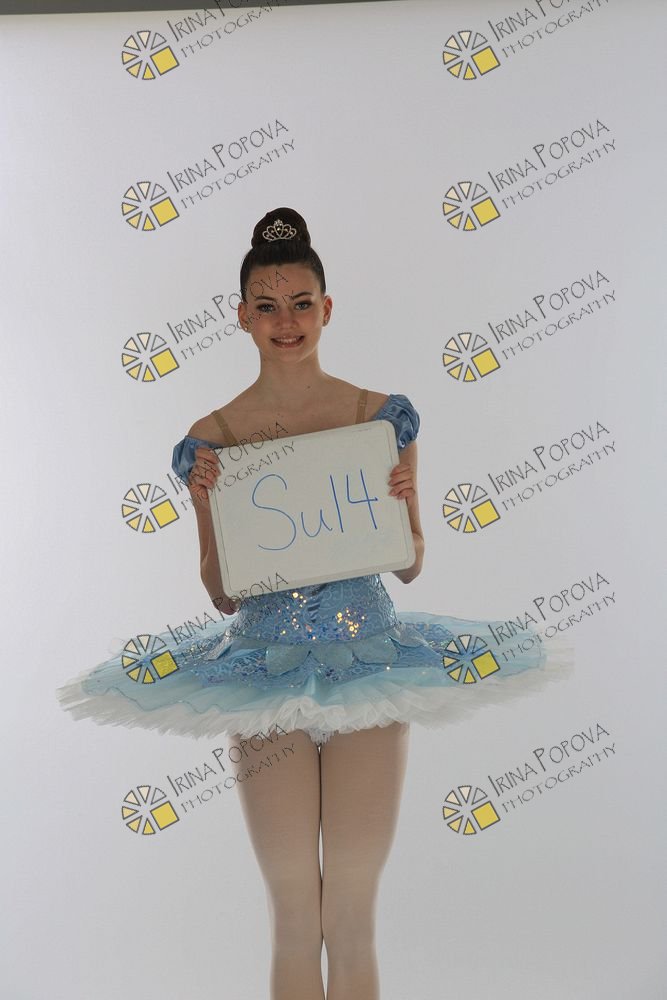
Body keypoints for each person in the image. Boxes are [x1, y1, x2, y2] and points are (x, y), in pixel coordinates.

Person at [57, 207, 573, 1000]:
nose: (286, 321)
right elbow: (220, 591)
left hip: (370, 663)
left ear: (326, 308)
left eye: (300, 303)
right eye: (266, 306)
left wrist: (400, 504)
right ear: (241, 316)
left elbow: (410, 564)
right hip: (263, 673)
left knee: (350, 913)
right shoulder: (214, 435)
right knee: (295, 913)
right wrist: (208, 499)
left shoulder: (376, 417)